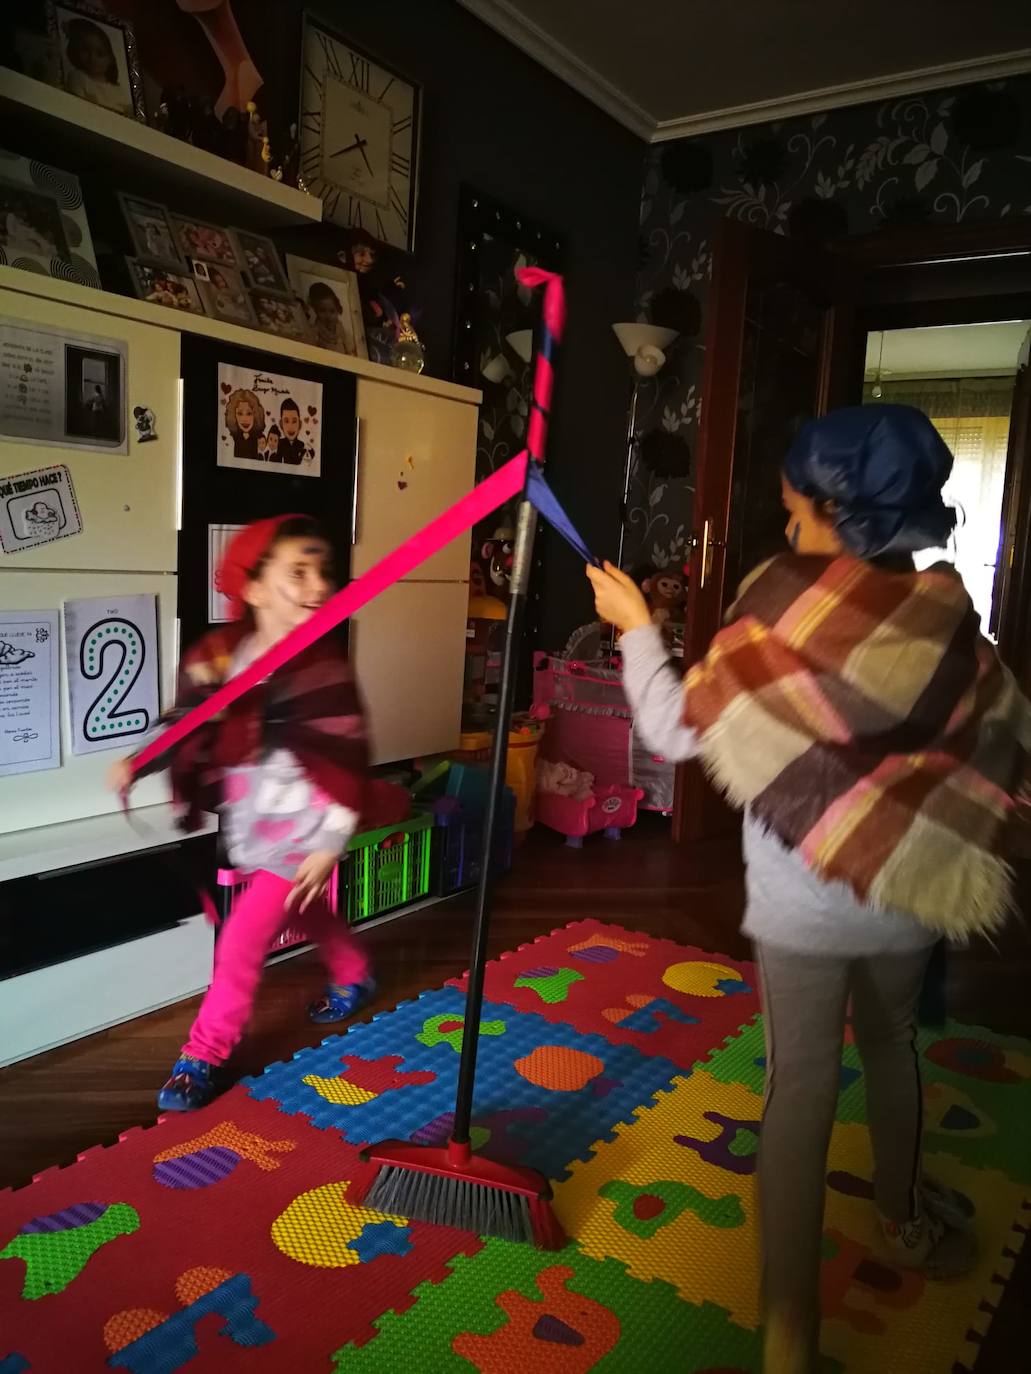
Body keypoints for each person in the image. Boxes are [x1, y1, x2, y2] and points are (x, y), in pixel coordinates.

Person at [587, 404, 1031, 1374]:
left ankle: (786, 1334)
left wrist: (635, 630)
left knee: (798, 1089)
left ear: (832, 511)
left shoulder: (773, 603)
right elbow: (998, 745)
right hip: (914, 891)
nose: (784, 530)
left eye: (792, 512)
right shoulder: (952, 616)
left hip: (798, 907)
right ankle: (902, 1224)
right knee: (891, 1045)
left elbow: (670, 733)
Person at [107, 516, 375, 1111]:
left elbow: (347, 758)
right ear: (252, 588)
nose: (318, 584)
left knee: (239, 944)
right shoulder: (222, 658)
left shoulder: (326, 669)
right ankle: (355, 971)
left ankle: (203, 1054)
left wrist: (331, 841)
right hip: (253, 829)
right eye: (297, 572)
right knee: (305, 912)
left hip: (305, 836)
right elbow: (188, 724)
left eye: (321, 571)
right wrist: (140, 762)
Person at [62, 17, 132, 117]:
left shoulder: (118, 89)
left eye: (100, 54)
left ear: (110, 59)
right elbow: (80, 108)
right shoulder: (77, 77)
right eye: (86, 50)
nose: (92, 58)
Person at [308, 281, 349, 353]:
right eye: (322, 311)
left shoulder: (339, 326)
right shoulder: (315, 331)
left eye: (332, 311)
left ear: (337, 310)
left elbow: (346, 346)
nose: (328, 316)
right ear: (315, 310)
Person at [224, 387, 264, 459]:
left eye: (249, 414)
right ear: (233, 415)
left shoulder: (258, 438)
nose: (245, 419)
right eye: (240, 413)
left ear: (255, 415)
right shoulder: (234, 437)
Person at [278, 397, 306, 465]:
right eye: (286, 421)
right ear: (281, 424)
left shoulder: (302, 446)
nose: (291, 426)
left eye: (294, 421)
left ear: (300, 424)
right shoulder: (278, 444)